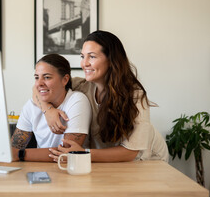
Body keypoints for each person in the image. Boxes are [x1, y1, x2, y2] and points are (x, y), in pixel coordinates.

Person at [34, 30, 168, 162]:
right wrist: (48, 110)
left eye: (91, 56)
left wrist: (82, 153)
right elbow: (38, 88)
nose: (84, 63)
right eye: (82, 56)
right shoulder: (82, 86)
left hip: (148, 160)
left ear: (111, 60)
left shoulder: (135, 96)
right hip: (106, 161)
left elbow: (130, 152)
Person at [10, 53, 92, 162]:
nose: (39, 83)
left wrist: (20, 154)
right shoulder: (31, 105)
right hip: (40, 168)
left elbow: (67, 153)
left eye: (47, 77)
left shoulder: (77, 100)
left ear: (65, 80)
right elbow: (14, 148)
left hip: (70, 169)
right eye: (36, 77)